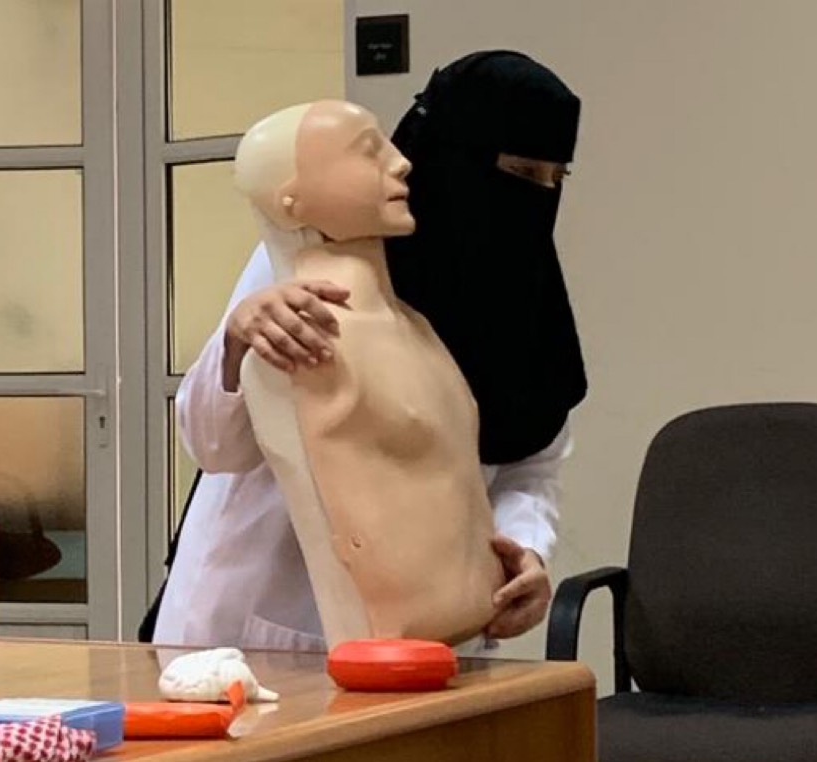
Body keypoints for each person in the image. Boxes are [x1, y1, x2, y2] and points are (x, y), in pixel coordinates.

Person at [149, 50, 588, 652]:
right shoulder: (314, 257)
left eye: (553, 179)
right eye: (519, 171)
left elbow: (530, 462)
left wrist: (525, 553)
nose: (536, 195)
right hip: (259, 623)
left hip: (434, 633)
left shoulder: (524, 297)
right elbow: (216, 445)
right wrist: (235, 343)